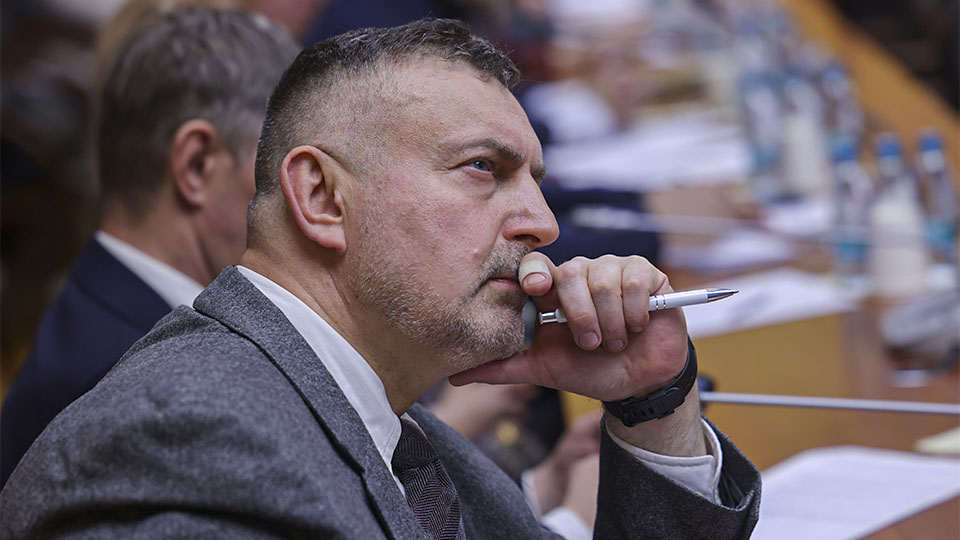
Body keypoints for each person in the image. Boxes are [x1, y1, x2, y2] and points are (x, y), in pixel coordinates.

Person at [0, 18, 760, 539]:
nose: (543, 224)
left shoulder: (385, 418)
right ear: (323, 199)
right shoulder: (185, 443)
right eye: (483, 169)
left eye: (533, 180)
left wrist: (653, 403)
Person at [0, 6, 300, 486]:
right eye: (275, 167)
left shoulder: (105, 322)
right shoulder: (145, 381)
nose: (297, 203)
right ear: (197, 164)